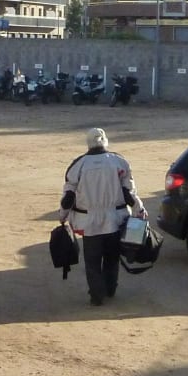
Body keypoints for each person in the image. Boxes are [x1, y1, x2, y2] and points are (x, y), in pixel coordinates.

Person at [58, 127, 145, 306]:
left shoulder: (78, 165)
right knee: (112, 258)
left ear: (88, 143)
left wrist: (63, 216)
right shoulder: (119, 162)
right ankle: (110, 289)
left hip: (89, 223)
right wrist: (139, 210)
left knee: (92, 261)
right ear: (105, 140)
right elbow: (128, 193)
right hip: (116, 220)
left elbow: (68, 198)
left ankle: (97, 296)